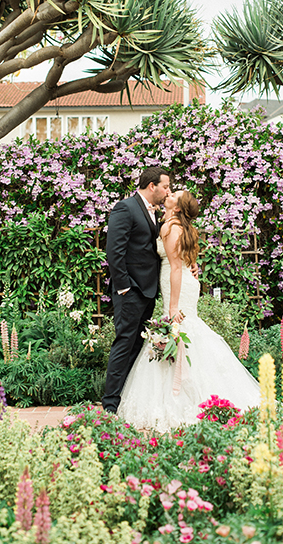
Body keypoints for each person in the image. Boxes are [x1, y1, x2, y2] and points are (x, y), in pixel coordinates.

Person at [117, 189, 261, 431]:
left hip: (178, 285)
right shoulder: (177, 225)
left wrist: (173, 306)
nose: (169, 194)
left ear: (178, 208)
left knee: (180, 328)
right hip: (182, 281)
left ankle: (184, 398)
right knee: (185, 331)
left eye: (174, 195)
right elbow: (187, 258)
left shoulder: (171, 228)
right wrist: (193, 267)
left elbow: (175, 267)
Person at [102, 166, 171, 413]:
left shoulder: (154, 211)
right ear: (152, 186)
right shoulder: (126, 208)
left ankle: (125, 401)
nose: (167, 192)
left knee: (136, 348)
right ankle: (110, 404)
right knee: (124, 344)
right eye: (165, 186)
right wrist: (123, 288)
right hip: (131, 291)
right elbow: (114, 251)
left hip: (148, 292)